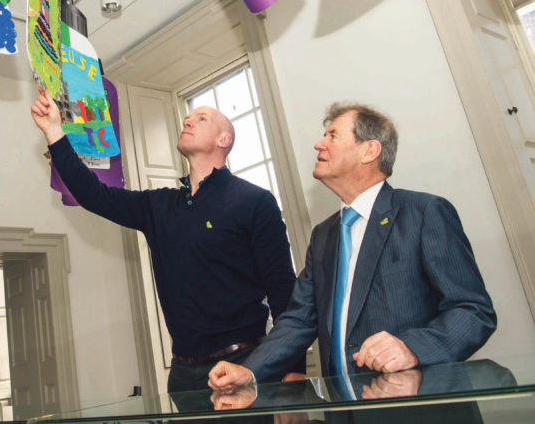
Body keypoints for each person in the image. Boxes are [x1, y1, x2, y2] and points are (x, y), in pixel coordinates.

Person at [208, 102, 496, 389]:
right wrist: (250, 371)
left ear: (369, 150)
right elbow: (298, 320)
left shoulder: (424, 213)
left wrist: (413, 347)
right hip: (345, 408)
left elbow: (472, 310)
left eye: (333, 135)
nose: (319, 144)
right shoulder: (323, 235)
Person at [31, 87, 299, 392]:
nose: (188, 121)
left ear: (223, 140)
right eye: (187, 118)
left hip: (244, 364)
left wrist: (292, 375)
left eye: (201, 118)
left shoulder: (254, 201)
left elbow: (283, 291)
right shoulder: (158, 206)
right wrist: (53, 130)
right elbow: (94, 196)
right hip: (183, 376)